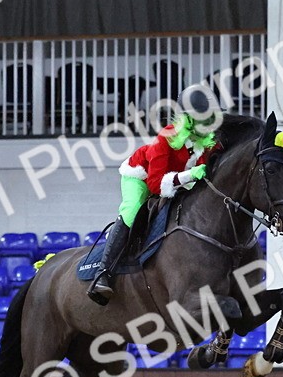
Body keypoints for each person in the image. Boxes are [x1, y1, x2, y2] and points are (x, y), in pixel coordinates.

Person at [87, 88, 221, 305]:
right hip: (141, 177)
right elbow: (156, 184)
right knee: (131, 212)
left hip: (175, 183)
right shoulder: (166, 138)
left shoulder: (207, 142)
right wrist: (189, 175)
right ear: (188, 119)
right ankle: (103, 273)